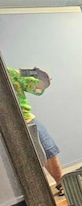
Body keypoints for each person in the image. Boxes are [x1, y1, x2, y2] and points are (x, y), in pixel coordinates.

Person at [7, 67, 64, 196]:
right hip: (5, 128)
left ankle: (61, 184)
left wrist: (43, 81)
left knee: (48, 150)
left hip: (26, 119)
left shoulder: (12, 73)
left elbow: (37, 89)